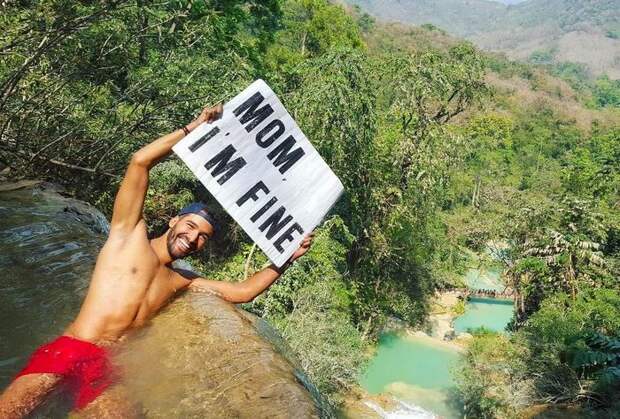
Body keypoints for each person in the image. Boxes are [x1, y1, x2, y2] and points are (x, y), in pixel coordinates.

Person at [0, 104, 314, 418]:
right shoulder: (128, 234)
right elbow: (140, 161)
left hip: (106, 367)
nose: (192, 237)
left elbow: (244, 293)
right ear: (174, 220)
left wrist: (287, 257)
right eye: (190, 226)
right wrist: (196, 126)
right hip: (74, 346)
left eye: (202, 236)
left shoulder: (183, 280)